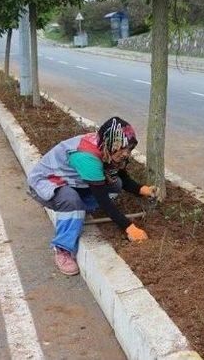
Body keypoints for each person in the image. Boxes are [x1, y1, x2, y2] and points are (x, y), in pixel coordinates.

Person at [27, 116, 157, 275]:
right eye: (124, 149)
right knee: (71, 201)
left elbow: (121, 176)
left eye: (129, 149)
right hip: (48, 182)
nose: (126, 153)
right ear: (112, 144)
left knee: (115, 185)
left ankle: (77, 211)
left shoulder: (106, 148)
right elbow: (103, 201)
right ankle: (63, 249)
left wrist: (143, 190)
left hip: (72, 180)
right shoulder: (87, 158)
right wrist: (129, 228)